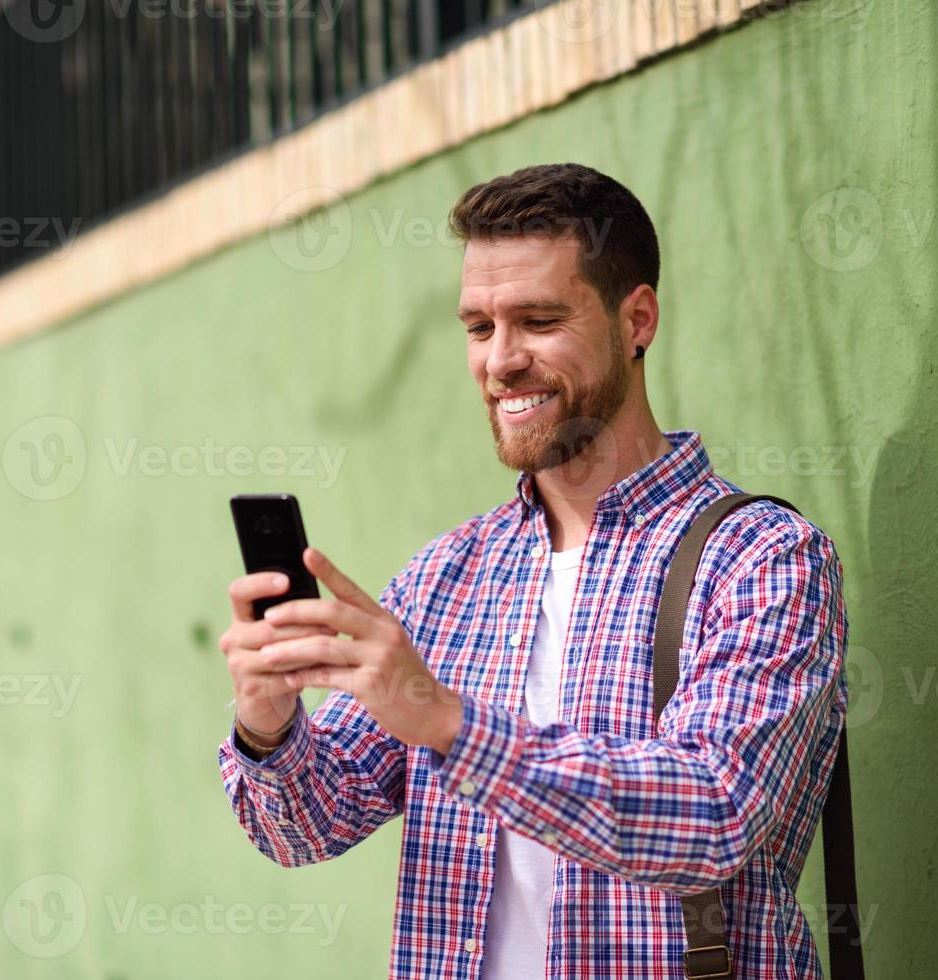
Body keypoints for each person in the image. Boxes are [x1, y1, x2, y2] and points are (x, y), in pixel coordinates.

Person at [216, 162, 849, 979]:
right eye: (478, 328)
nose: (500, 360)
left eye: (538, 320)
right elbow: (307, 826)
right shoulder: (449, 576)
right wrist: (267, 722)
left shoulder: (760, 558)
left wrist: (447, 722)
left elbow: (713, 814)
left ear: (638, 319)